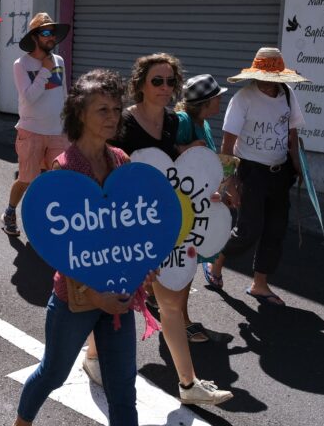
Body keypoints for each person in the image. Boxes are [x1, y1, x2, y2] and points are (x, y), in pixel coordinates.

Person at [15, 69, 154, 426]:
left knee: (123, 387)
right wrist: (94, 296)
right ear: (80, 114)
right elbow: (60, 247)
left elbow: (133, 226)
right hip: (75, 297)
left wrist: (143, 263)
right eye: (102, 110)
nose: (112, 117)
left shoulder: (121, 160)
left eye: (115, 109)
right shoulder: (64, 170)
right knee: (52, 374)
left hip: (120, 292)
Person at [110, 53, 233, 406]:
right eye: (157, 81)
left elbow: (177, 167)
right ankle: (91, 356)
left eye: (170, 82)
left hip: (165, 224)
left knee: (173, 306)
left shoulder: (174, 122)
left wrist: (202, 181)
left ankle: (188, 384)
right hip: (127, 225)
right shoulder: (124, 122)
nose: (165, 88)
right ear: (141, 84)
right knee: (111, 299)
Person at [203, 48, 306, 307]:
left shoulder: (287, 95)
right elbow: (227, 145)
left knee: (276, 228)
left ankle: (259, 284)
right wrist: (230, 183)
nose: (267, 81)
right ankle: (217, 262)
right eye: (263, 75)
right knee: (249, 229)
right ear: (255, 74)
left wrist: (298, 165)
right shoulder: (243, 99)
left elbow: (293, 136)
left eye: (272, 76)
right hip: (251, 172)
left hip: (280, 172)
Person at [2, 13, 70, 237]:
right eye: (46, 32)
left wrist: (69, 122)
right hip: (31, 131)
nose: (51, 38)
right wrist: (44, 70)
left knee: (56, 181)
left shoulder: (58, 60)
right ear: (35, 36)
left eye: (53, 32)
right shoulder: (21, 64)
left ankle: (46, 219)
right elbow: (29, 97)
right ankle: (10, 212)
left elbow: (63, 93)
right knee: (26, 178)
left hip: (58, 132)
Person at [173, 73, 227, 343]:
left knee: (188, 262)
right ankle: (180, 319)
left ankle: (172, 310)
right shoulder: (184, 121)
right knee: (186, 262)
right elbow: (166, 153)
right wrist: (187, 147)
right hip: (183, 204)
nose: (221, 100)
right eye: (218, 97)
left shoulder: (202, 122)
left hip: (199, 200)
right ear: (206, 102)